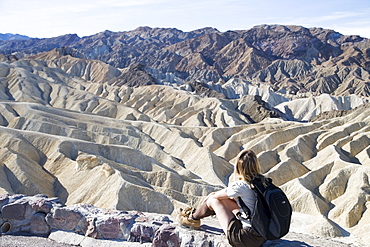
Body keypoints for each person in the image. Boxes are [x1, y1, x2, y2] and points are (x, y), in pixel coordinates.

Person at [177, 149, 267, 247]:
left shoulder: (241, 185)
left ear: (238, 167)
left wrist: (209, 198)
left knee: (213, 200)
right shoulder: (264, 182)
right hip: (262, 236)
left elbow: (215, 197)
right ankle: (194, 217)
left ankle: (192, 219)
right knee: (224, 200)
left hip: (245, 239)